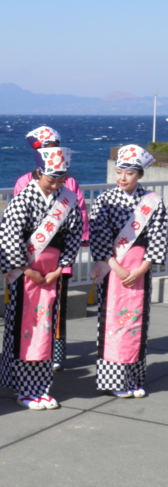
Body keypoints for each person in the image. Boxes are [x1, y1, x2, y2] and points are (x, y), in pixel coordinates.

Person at [0, 146, 82, 410]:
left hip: (51, 274)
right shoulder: (23, 199)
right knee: (25, 330)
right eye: (50, 178)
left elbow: (73, 236)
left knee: (46, 332)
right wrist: (25, 268)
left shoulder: (67, 200)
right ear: (38, 173)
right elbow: (8, 237)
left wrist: (61, 267)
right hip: (27, 276)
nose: (55, 184)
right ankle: (25, 388)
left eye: (60, 179)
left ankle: (41, 387)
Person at [89, 144, 167, 398]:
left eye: (130, 173)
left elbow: (159, 237)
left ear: (140, 175)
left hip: (139, 268)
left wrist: (144, 267)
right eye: (120, 171)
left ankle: (133, 376)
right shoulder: (105, 200)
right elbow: (98, 239)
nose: (123, 177)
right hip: (113, 269)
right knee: (112, 322)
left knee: (136, 323)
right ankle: (114, 379)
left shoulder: (153, 202)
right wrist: (117, 268)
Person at [14, 126, 90, 371]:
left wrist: (67, 259)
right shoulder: (23, 182)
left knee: (57, 307)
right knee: (26, 308)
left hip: (58, 260)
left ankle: (55, 352)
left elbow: (80, 219)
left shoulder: (69, 183)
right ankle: (25, 352)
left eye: (53, 147)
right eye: (45, 148)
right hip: (30, 260)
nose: (50, 152)